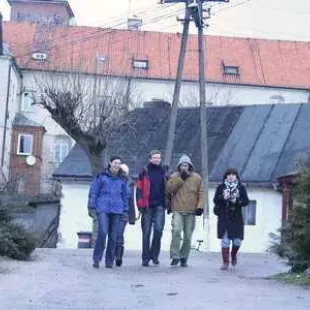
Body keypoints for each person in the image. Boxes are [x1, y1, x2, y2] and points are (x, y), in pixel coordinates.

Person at [87, 156, 129, 268]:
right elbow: (94, 192)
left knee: (113, 236)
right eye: (115, 163)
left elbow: (126, 196)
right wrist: (91, 206)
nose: (116, 165)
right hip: (103, 208)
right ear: (110, 163)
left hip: (117, 209)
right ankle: (97, 258)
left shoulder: (122, 179)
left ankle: (109, 260)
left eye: (119, 163)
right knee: (103, 232)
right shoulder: (101, 177)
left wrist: (125, 210)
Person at [166, 154, 204, 267]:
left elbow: (202, 193)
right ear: (179, 166)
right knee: (176, 231)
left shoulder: (197, 178)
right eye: (182, 165)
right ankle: (175, 256)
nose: (184, 167)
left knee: (188, 235)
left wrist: (200, 207)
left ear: (189, 166)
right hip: (177, 209)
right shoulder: (174, 176)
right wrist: (181, 179)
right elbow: (168, 189)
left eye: (186, 165)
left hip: (191, 210)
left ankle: (184, 256)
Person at [213, 168, 249, 270]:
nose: (231, 176)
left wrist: (236, 200)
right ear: (225, 176)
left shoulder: (241, 188)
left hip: (236, 219)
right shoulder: (221, 187)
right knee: (225, 241)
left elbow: (246, 201)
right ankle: (225, 262)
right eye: (228, 174)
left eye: (233, 174)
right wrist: (223, 198)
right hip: (224, 218)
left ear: (236, 177)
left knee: (237, 241)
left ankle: (233, 254)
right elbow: (215, 200)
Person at [136, 150, 167, 267]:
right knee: (146, 232)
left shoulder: (164, 172)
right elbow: (138, 189)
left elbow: (168, 188)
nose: (156, 159)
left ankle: (154, 255)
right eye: (154, 157)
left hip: (160, 205)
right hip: (147, 205)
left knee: (158, 230)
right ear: (150, 159)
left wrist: (167, 203)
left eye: (158, 158)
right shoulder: (144, 172)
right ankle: (145, 257)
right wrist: (139, 205)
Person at [115, 163, 136, 267]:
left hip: (124, 212)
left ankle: (118, 257)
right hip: (113, 211)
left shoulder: (129, 183)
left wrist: (132, 216)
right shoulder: (113, 181)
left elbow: (131, 200)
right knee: (113, 234)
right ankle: (113, 254)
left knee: (119, 234)